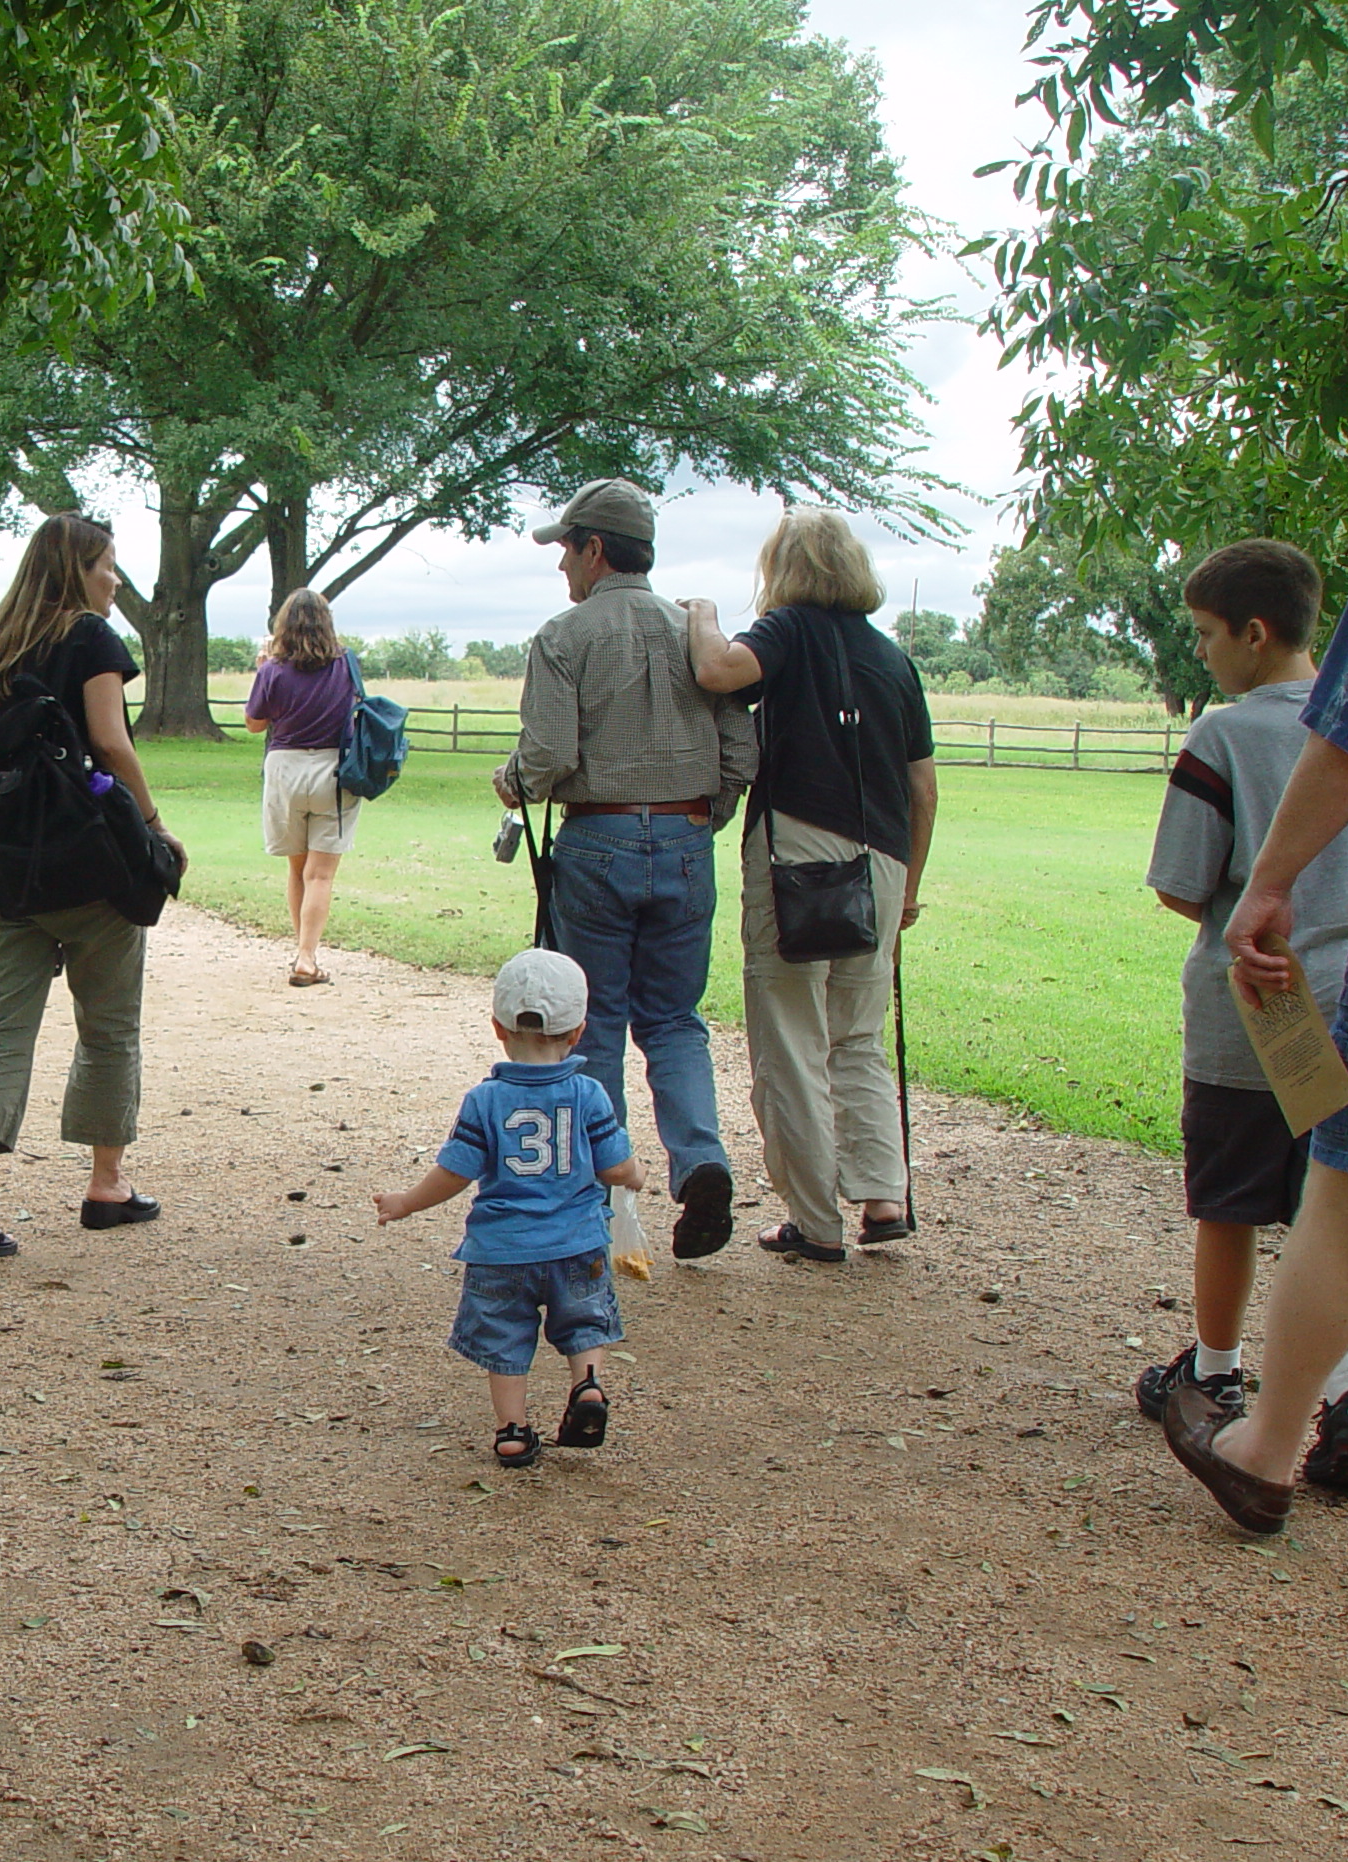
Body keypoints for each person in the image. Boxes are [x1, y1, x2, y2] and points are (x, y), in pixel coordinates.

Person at [1138, 539, 1348, 1481]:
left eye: (1204, 634)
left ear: (1253, 632)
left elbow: (1183, 881)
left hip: (1254, 1009)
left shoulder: (1224, 735)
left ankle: (1219, 1370)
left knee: (1227, 1203)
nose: (1201, 653)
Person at [493, 478, 753, 1260]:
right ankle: (701, 1161)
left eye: (566, 548)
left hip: (596, 842)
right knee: (675, 1021)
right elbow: (741, 749)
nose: (561, 566)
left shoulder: (564, 637)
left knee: (595, 1024)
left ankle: (601, 1199)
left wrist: (514, 781)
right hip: (685, 837)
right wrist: (708, 812)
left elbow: (548, 755)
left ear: (595, 549)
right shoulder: (698, 637)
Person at [0, 514, 188, 1259]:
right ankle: (107, 1184)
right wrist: (153, 824)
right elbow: (109, 740)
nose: (116, 579)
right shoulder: (92, 637)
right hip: (88, 868)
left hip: (0, 864)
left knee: (2, 1023)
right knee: (108, 1025)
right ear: (79, 568)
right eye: (108, 564)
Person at [683, 510, 935, 1262]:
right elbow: (923, 788)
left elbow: (717, 671)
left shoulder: (788, 631)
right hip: (884, 863)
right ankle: (883, 1195)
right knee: (858, 1037)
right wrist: (911, 890)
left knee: (790, 1037)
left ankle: (815, 1220)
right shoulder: (893, 660)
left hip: (797, 851)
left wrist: (702, 615)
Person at [373, 949, 647, 1466]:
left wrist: (406, 1202)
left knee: (504, 1340)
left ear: (498, 1028)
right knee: (585, 1322)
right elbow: (615, 1167)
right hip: (579, 1242)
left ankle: (513, 1432)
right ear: (579, 1031)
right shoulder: (588, 1093)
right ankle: (587, 1386)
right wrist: (637, 1175)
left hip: (501, 1251)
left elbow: (456, 1172)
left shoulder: (486, 1099)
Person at [246, 587, 358, 986]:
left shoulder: (272, 670)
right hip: (334, 769)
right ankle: (308, 955)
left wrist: (261, 668)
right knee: (321, 875)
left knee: (297, 868)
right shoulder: (347, 666)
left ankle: (302, 953)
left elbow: (255, 723)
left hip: (285, 769)